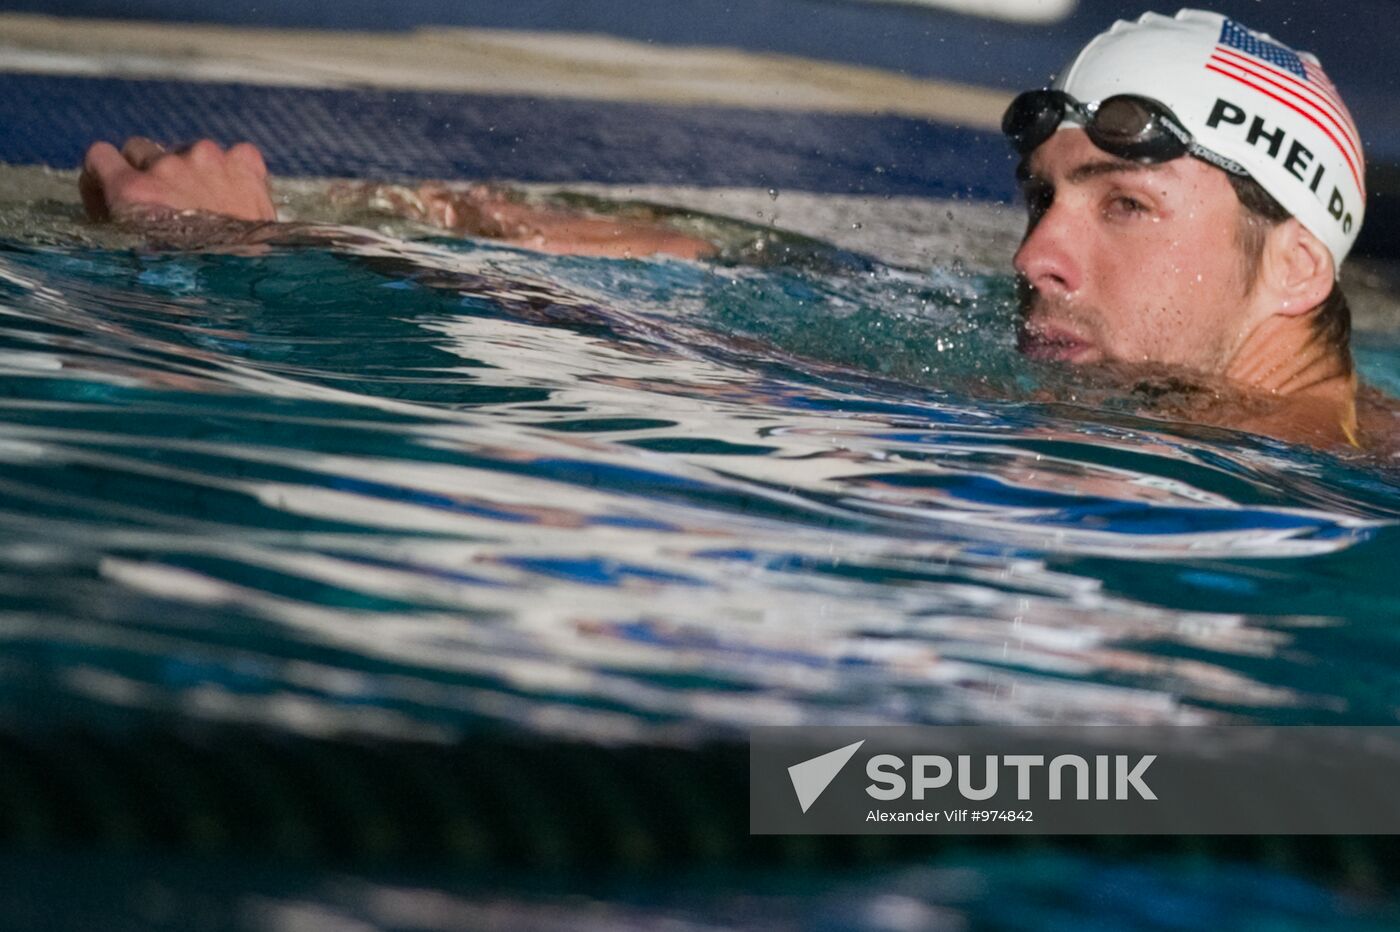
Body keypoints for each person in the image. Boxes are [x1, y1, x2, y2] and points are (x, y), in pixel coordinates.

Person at [76, 9, 1397, 452]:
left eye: (1127, 208)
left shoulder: (1301, 471)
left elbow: (715, 356)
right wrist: (477, 222)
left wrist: (261, 255)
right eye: (1046, 197)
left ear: (1295, 266)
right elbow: (780, 287)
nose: (1039, 256)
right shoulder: (1149, 383)